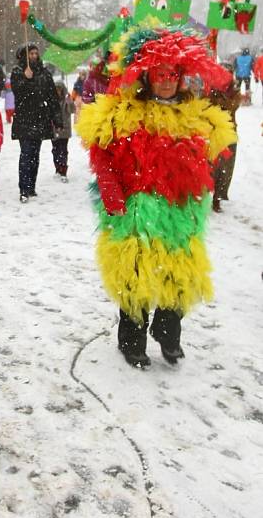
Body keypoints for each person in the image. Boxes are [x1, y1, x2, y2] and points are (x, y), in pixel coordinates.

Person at [78, 25, 236, 368]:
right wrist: (109, 187)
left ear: (181, 77)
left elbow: (213, 152)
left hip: (179, 210)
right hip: (137, 206)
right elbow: (101, 149)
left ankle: (168, 333)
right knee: (134, 274)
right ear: (148, 76)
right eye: (160, 74)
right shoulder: (125, 111)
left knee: (177, 271)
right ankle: (131, 339)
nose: (166, 81)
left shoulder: (196, 114)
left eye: (173, 74)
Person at [11, 43, 62, 203]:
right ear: (24, 56)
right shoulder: (18, 72)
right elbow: (18, 92)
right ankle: (23, 189)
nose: (34, 56)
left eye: (35, 53)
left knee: (35, 155)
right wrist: (27, 79)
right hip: (24, 120)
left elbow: (52, 97)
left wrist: (57, 118)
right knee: (26, 154)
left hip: (40, 119)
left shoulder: (44, 73)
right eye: (30, 54)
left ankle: (31, 187)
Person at [209, 65, 241, 213]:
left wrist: (220, 97)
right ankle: (207, 193)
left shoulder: (234, 90)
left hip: (229, 133)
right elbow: (207, 105)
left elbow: (231, 106)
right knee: (211, 165)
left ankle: (218, 198)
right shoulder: (211, 88)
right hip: (212, 132)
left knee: (226, 168)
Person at [52, 82, 75, 182]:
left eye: (59, 89)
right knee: (55, 150)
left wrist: (69, 101)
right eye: (56, 89)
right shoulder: (51, 99)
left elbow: (72, 110)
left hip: (64, 129)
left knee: (63, 151)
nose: (58, 91)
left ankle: (63, 171)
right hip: (54, 129)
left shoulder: (67, 99)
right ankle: (57, 168)